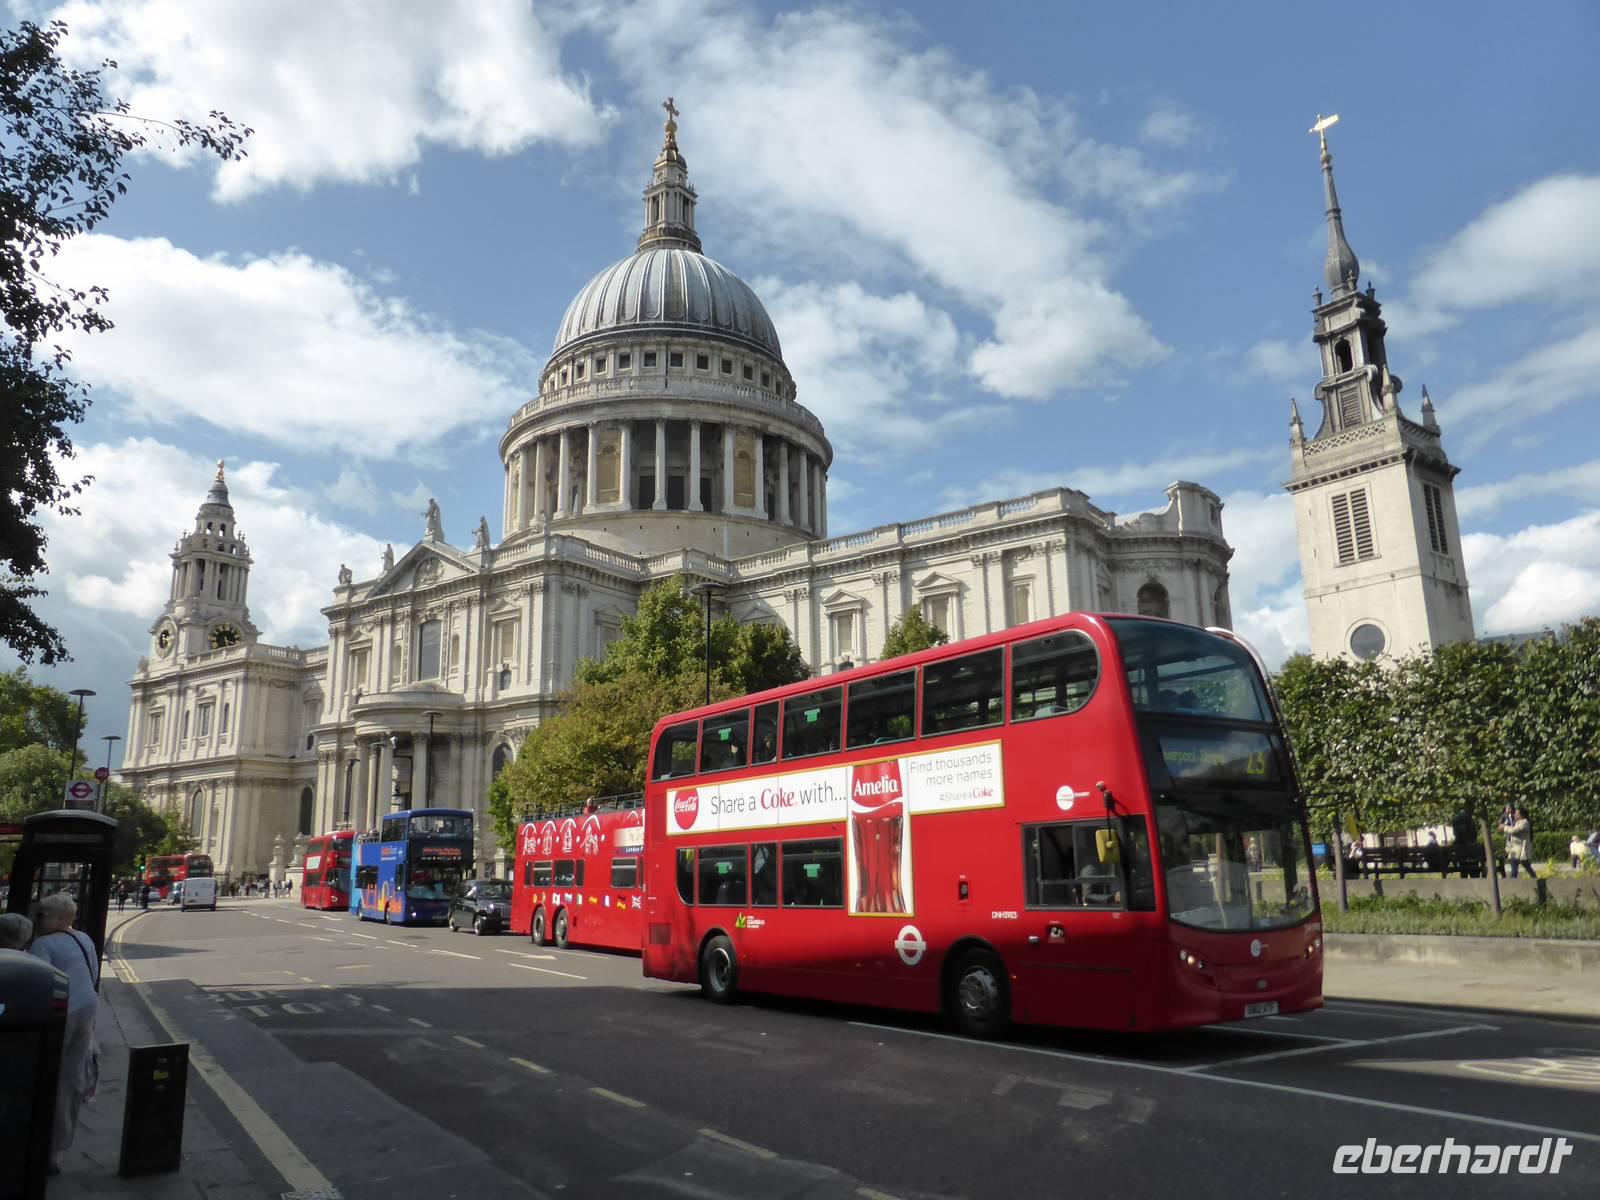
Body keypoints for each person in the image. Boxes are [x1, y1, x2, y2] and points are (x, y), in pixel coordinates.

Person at [28, 893, 100, 1175]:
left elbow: (36, 982)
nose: (38, 919)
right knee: (71, 1078)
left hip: (61, 1014)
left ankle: (45, 1149)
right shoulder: (84, 939)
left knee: (48, 1078)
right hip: (87, 1007)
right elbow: (92, 973)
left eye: (42, 914)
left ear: (59, 918)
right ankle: (59, 1146)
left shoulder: (43, 944)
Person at [1505, 807, 1535, 878]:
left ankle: (1536, 880)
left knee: (1527, 868)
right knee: (1514, 869)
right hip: (1515, 850)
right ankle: (1513, 883)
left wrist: (1504, 827)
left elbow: (1513, 830)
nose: (1515, 815)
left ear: (1522, 815)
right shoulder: (1517, 822)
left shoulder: (1525, 823)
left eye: (1517, 814)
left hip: (1521, 851)